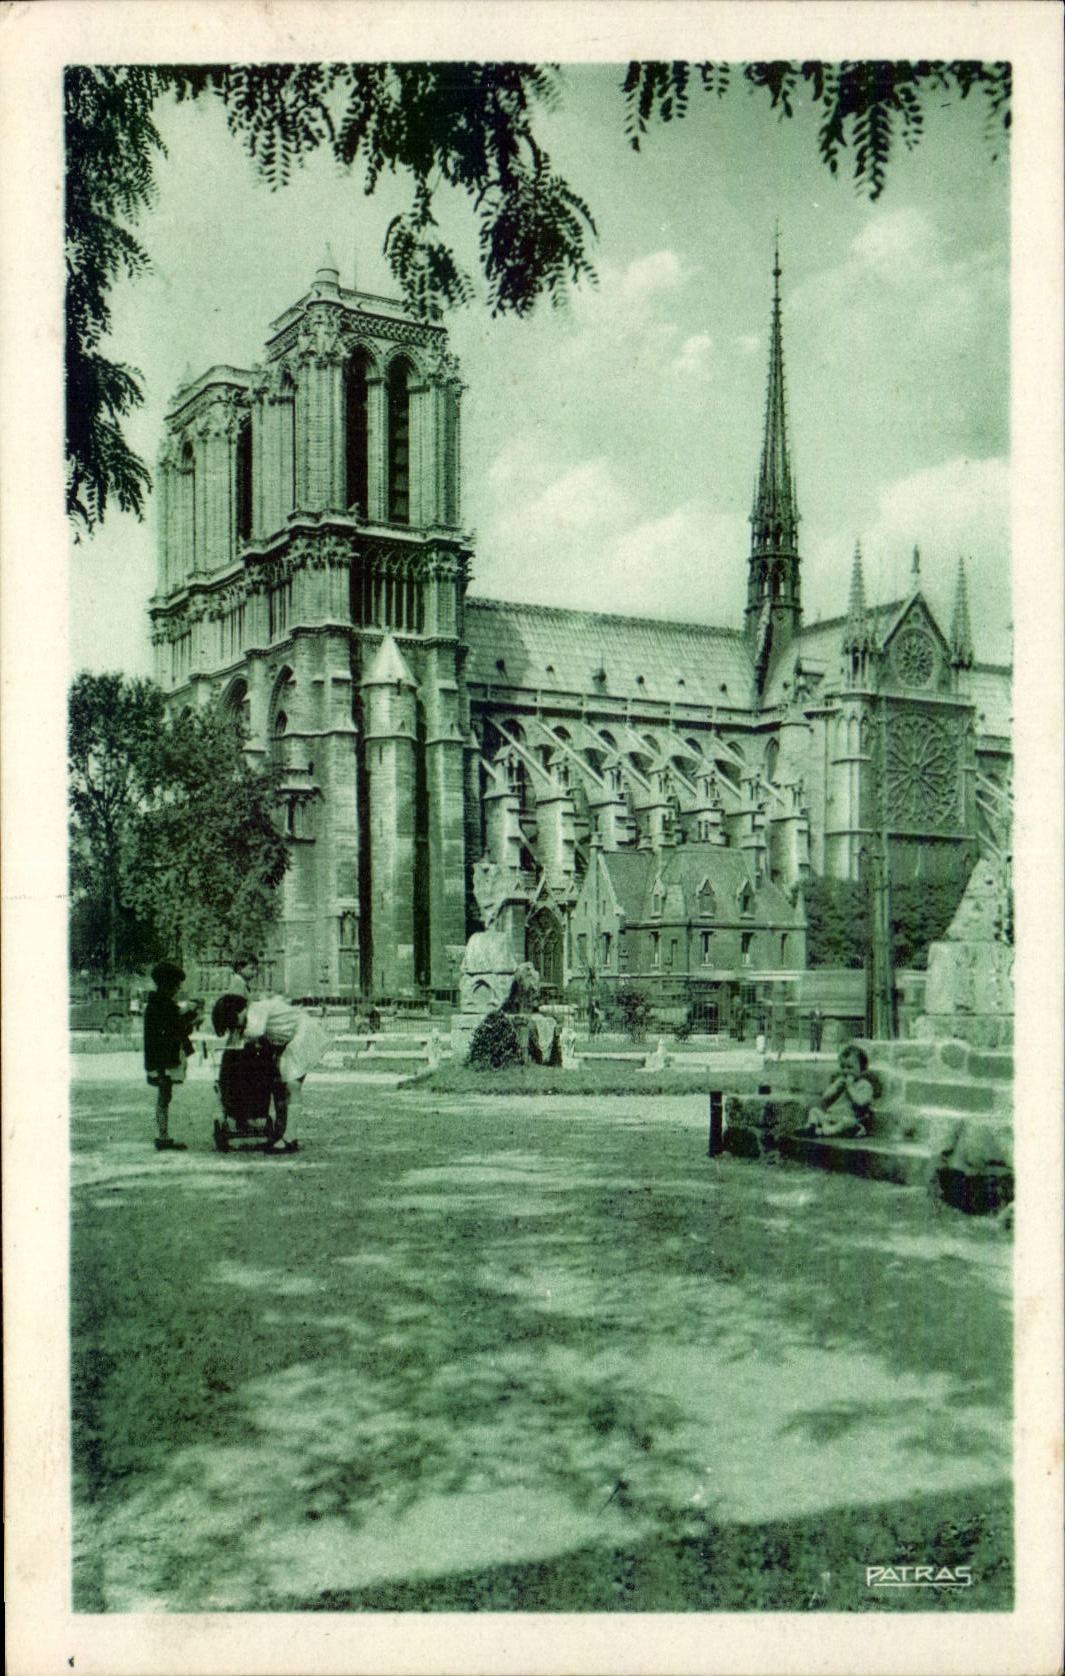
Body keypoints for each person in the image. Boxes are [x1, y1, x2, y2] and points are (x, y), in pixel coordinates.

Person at [212, 991, 329, 1154]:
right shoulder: (254, 1011)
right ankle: (283, 1134)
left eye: (234, 1021)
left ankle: (290, 1138)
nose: (237, 1026)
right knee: (284, 1086)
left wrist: (239, 1036)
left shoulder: (256, 1009)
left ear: (238, 1010)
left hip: (301, 1035)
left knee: (292, 1086)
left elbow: (256, 1032)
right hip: (291, 1037)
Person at [143, 960, 199, 1151]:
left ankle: (163, 1134)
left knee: (165, 1096)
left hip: (160, 1060)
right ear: (168, 985)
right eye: (176, 984)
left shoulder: (158, 1004)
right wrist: (191, 1016)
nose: (178, 988)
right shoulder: (163, 1006)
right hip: (164, 1061)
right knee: (164, 1096)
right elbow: (177, 1028)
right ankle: (163, 1136)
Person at [802, 1044, 876, 1138]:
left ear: (862, 1069)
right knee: (814, 1111)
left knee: (847, 1123)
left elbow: (861, 1102)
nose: (845, 1071)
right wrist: (835, 1087)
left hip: (848, 1118)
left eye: (850, 1067)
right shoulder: (839, 1082)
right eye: (842, 1067)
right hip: (830, 1117)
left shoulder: (865, 1085)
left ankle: (822, 1132)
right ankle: (811, 1127)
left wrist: (850, 1087)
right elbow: (825, 1098)